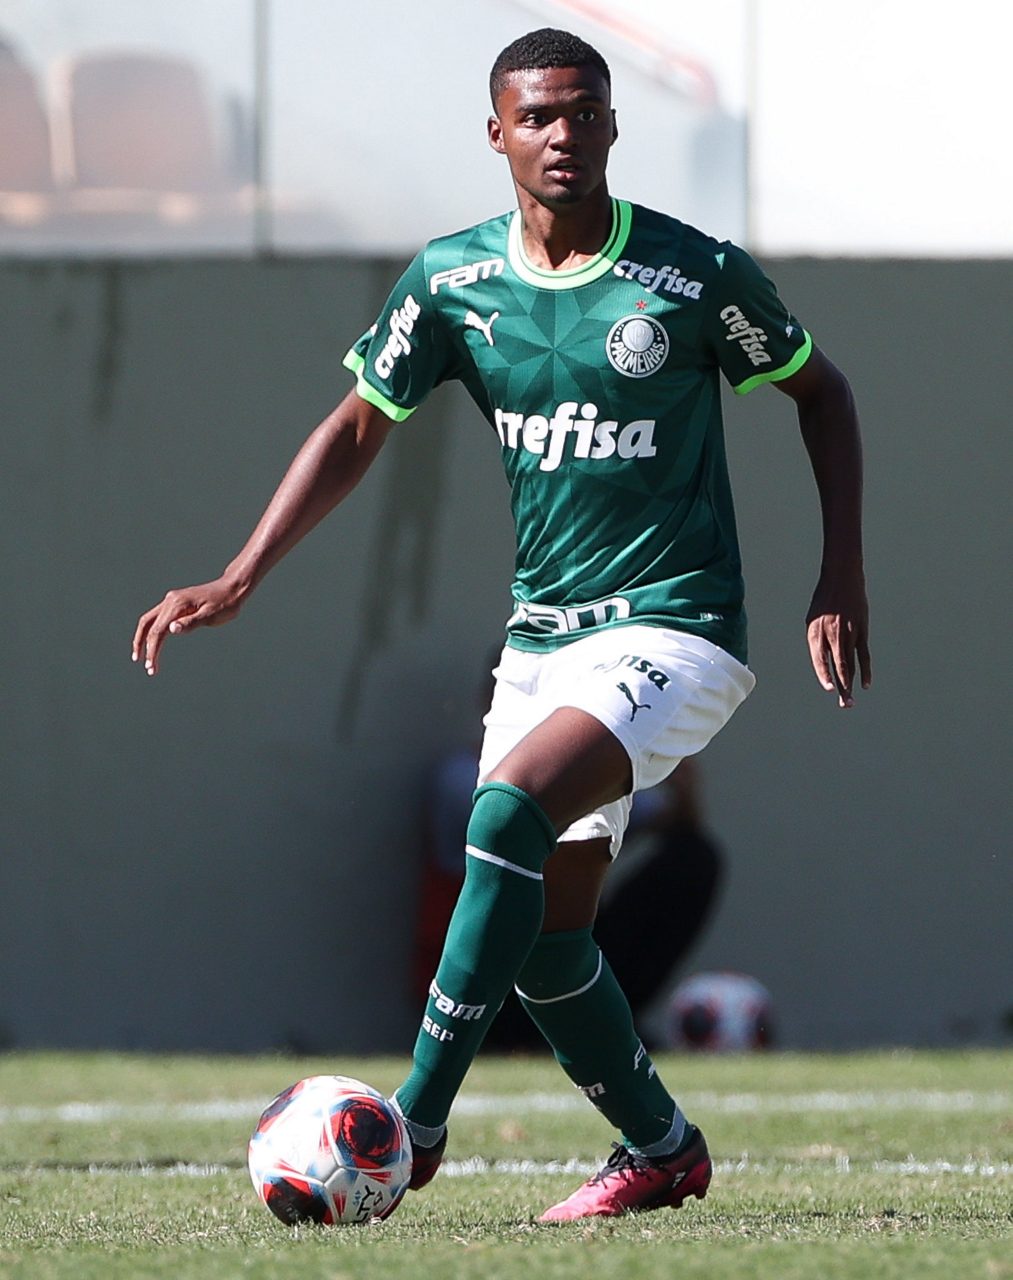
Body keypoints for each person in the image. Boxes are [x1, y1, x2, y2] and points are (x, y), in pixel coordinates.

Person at [133, 28, 871, 1220]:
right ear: (496, 133)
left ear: (613, 125)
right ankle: (660, 1146)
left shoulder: (691, 275)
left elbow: (820, 392)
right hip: (542, 642)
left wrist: (837, 573)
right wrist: (242, 570)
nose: (561, 134)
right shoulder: (451, 281)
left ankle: (411, 1125)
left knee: (504, 809)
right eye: (536, 117)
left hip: (676, 625)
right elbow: (358, 423)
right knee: (545, 942)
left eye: (582, 113)